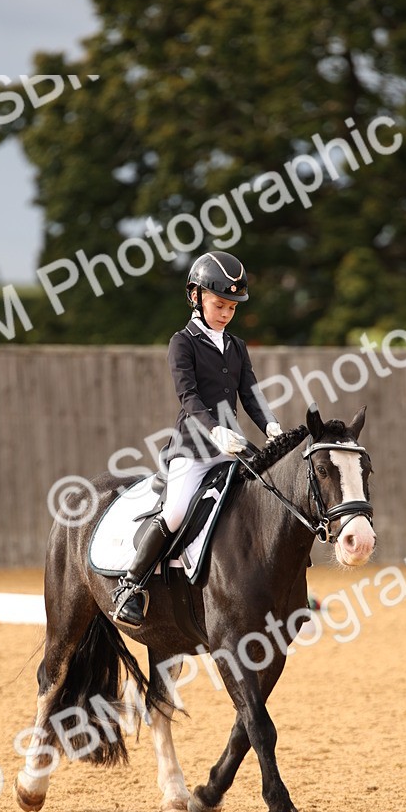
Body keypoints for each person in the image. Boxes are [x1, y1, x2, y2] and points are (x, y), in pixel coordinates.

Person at [112, 251, 282, 626]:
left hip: (231, 450)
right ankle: (130, 586)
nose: (225, 313)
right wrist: (215, 427)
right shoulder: (182, 343)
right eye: (219, 304)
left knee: (260, 504)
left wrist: (270, 425)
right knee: (174, 512)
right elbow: (188, 397)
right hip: (193, 449)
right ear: (196, 296)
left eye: (231, 308)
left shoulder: (236, 346)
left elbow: (250, 393)